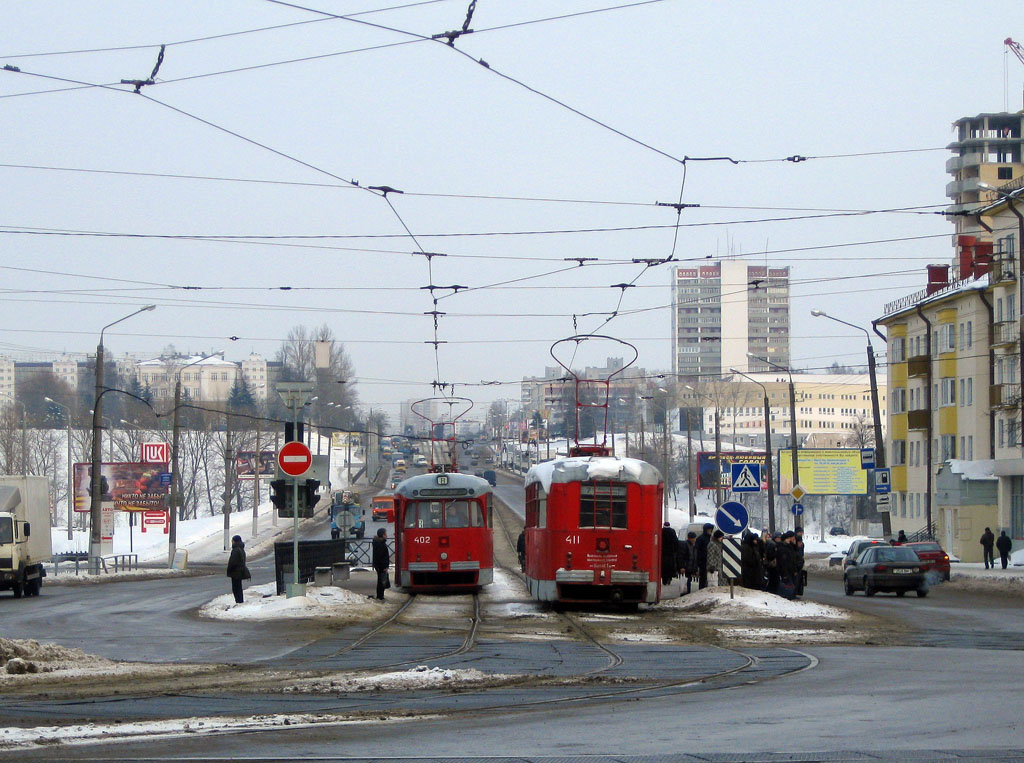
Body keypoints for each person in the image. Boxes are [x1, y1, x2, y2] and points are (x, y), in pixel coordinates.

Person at [226, 535, 251, 604]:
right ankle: (240, 601)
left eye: (232, 541)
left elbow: (233, 562)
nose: (232, 542)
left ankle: (239, 602)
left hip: (235, 572)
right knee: (239, 587)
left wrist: (229, 569)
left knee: (236, 588)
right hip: (239, 571)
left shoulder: (236, 550)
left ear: (235, 541)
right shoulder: (241, 549)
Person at [775, 531, 797, 599]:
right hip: (785, 571)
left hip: (789, 570)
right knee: (788, 587)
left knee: (787, 586)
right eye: (787, 539)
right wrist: (784, 573)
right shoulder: (782, 548)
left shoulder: (788, 547)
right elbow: (783, 562)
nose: (789, 540)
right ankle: (784, 598)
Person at [371, 528, 391, 600]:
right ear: (383, 535)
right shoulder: (380, 544)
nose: (387, 535)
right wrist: (384, 566)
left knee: (381, 580)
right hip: (381, 566)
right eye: (386, 534)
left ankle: (380, 596)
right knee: (381, 581)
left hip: (379, 566)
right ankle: (380, 596)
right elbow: (381, 557)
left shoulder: (378, 543)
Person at [695, 523, 714, 589]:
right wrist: (698, 562)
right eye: (709, 529)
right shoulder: (701, 538)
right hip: (703, 561)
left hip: (710, 561)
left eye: (711, 529)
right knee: (703, 578)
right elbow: (697, 551)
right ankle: (702, 589)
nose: (710, 531)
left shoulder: (712, 538)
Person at [793, 526, 806, 596]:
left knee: (798, 580)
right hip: (796, 563)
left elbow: (801, 553)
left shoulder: (802, 544)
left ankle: (796, 592)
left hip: (799, 562)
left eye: (802, 532)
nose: (801, 533)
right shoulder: (794, 542)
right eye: (800, 532)